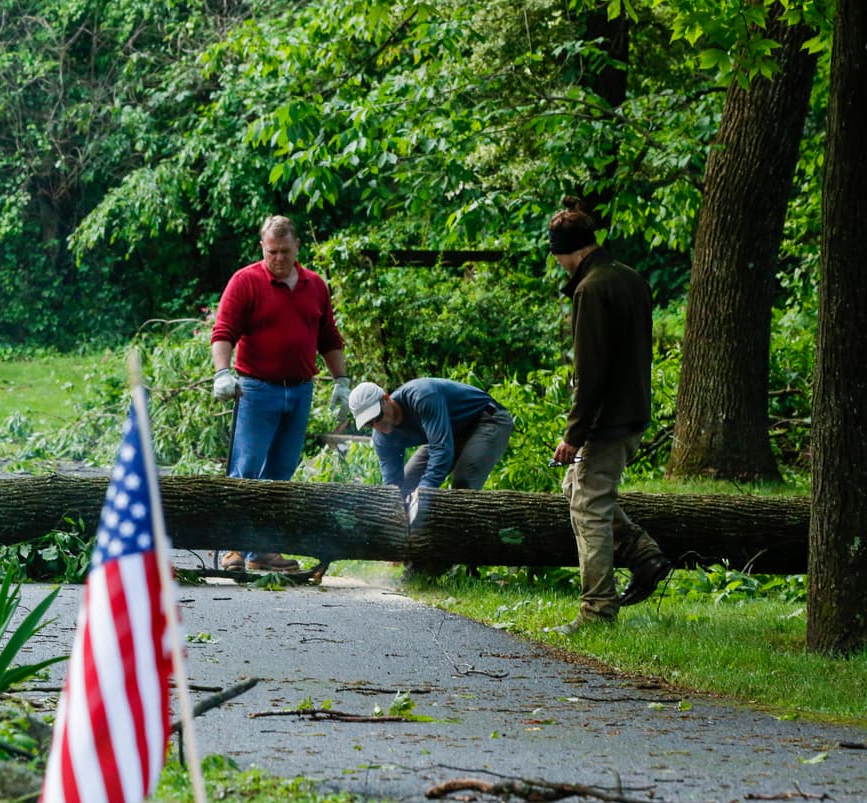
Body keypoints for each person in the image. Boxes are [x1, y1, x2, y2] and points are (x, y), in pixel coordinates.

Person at [546, 195, 671, 635]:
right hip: (632, 406)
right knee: (575, 488)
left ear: (568, 252)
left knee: (589, 506)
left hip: (607, 417)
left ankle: (597, 609)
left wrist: (575, 434)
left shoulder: (590, 289)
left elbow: (590, 372)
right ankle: (642, 553)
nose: (559, 265)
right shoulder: (630, 278)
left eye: (558, 256)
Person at [210, 215, 349, 571]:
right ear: (263, 248)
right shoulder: (246, 281)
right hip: (257, 389)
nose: (279, 258)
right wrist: (223, 373)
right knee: (246, 469)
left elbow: (328, 337)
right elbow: (224, 331)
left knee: (280, 474)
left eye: (285, 251)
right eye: (272, 251)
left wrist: (341, 382)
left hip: (299, 391)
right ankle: (234, 549)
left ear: (297, 247)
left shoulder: (315, 285)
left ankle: (262, 552)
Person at [348, 378, 513, 502]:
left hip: (487, 419)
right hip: (448, 433)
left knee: (463, 483)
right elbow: (392, 484)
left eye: (376, 416)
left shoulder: (421, 396)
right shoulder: (382, 439)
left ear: (386, 398)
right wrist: (393, 506)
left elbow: (441, 451)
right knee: (406, 486)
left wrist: (423, 495)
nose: (376, 425)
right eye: (369, 424)